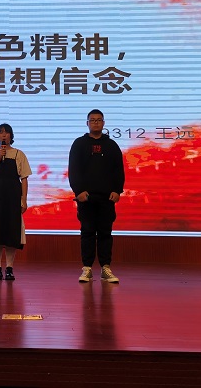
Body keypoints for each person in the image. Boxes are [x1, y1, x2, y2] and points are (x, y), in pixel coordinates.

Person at [68, 109, 125, 283]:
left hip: (107, 198)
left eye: (99, 120)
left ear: (103, 123)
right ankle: (87, 268)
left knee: (105, 233)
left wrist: (117, 190)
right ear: (87, 123)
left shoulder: (111, 145)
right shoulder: (79, 144)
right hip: (86, 198)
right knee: (87, 232)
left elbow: (118, 170)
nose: (96, 123)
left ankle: (105, 268)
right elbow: (74, 170)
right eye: (92, 120)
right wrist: (78, 191)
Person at [0, 123, 32, 281]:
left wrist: (24, 199)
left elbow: (24, 179)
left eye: (7, 132)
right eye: (1, 133)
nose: (4, 135)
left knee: (12, 232)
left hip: (13, 197)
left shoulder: (19, 154)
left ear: (11, 135)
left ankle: (9, 268)